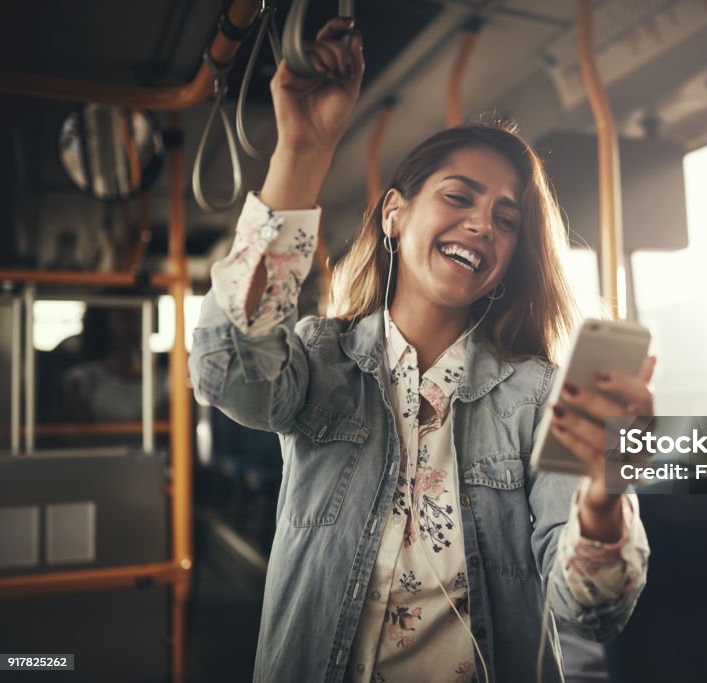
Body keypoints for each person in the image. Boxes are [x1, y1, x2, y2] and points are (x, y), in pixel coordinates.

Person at [189, 16, 653, 683]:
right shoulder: (323, 362)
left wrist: (603, 503)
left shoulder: (539, 397)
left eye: (505, 219)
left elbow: (589, 611)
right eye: (459, 196)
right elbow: (225, 368)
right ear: (394, 214)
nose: (481, 224)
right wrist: (303, 149)